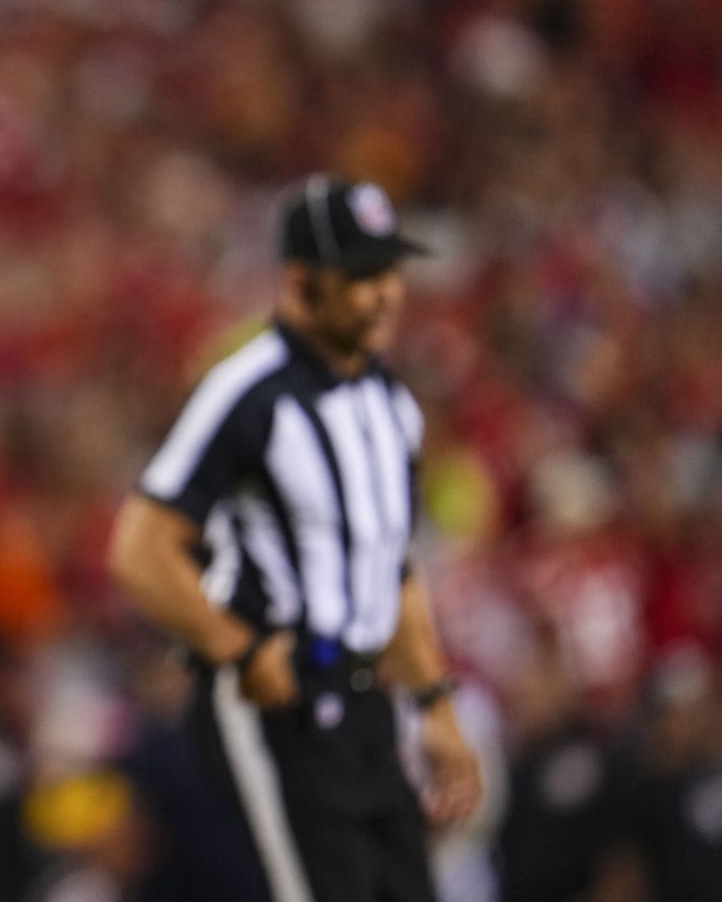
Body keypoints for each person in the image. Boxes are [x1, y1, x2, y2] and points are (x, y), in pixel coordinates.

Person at [109, 175, 482, 902]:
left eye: (389, 273)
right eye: (360, 277)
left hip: (369, 699)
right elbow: (141, 549)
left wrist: (434, 704)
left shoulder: (391, 402)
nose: (384, 295)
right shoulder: (248, 391)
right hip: (277, 697)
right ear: (301, 281)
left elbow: (388, 570)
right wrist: (236, 647)